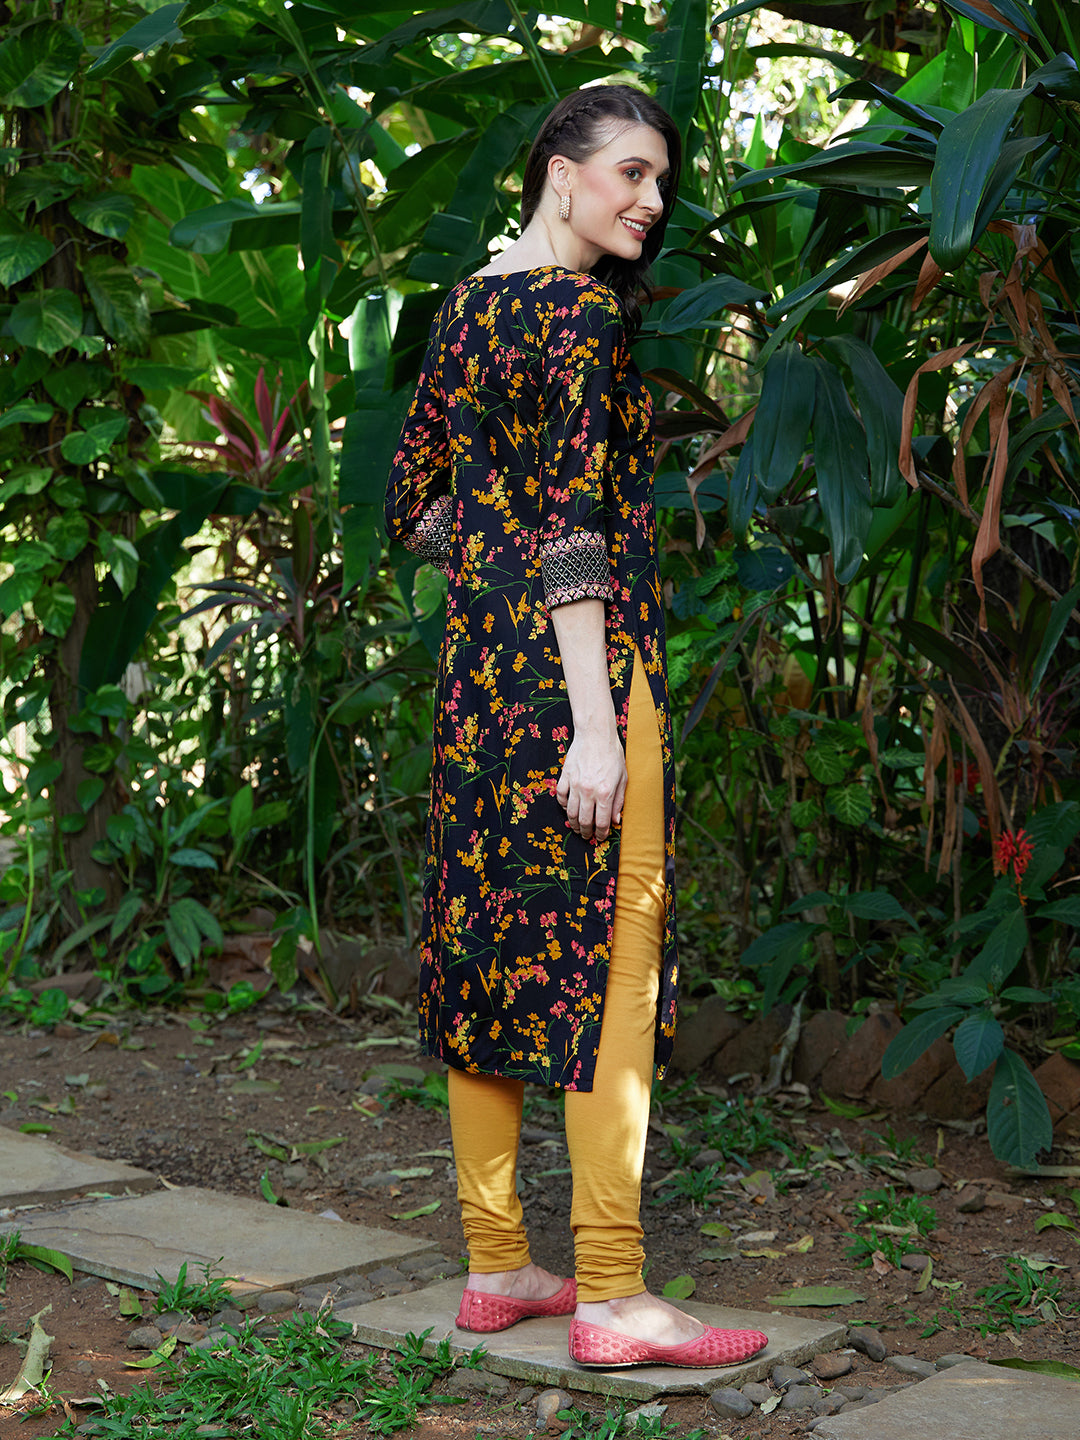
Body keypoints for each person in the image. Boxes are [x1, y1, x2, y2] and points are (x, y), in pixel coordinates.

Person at [385, 84, 767, 1370]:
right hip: (580, 682)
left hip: (476, 685)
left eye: (660, 180)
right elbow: (575, 536)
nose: (651, 202)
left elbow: (416, 506)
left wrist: (492, 570)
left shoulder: (468, 307)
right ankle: (610, 1293)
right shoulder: (582, 318)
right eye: (630, 172)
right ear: (560, 170)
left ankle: (497, 1264)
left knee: (485, 951)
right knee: (616, 962)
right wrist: (595, 725)